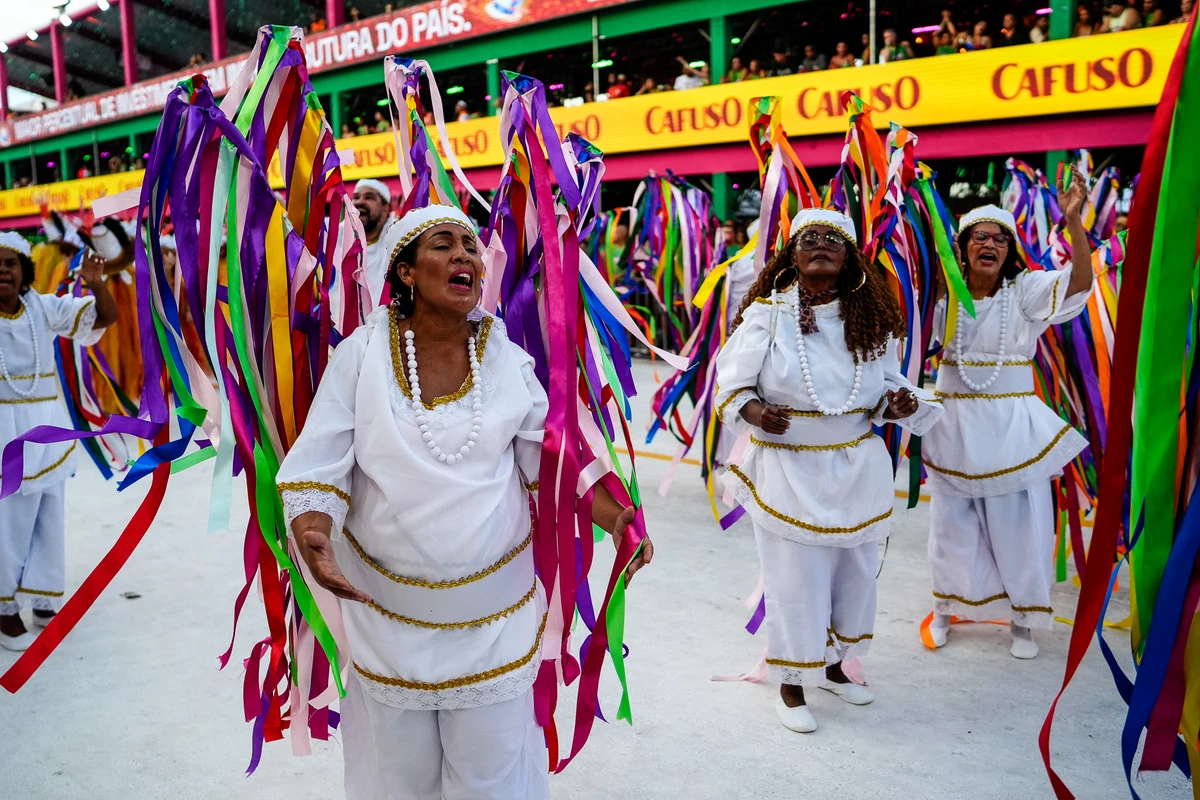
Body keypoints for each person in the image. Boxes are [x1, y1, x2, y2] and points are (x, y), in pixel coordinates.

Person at [276, 204, 651, 798]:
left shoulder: (503, 355)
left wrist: (618, 520)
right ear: (404, 271)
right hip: (387, 617)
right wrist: (313, 534)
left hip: (493, 619)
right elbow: (320, 462)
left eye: (472, 247)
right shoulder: (361, 355)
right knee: (399, 775)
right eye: (443, 244)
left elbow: (549, 457)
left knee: (490, 773)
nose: (464, 255)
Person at [714, 209, 942, 733]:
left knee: (855, 575)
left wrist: (898, 404)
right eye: (809, 238)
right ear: (791, 256)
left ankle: (837, 667)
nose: (820, 244)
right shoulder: (768, 315)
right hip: (787, 469)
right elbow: (731, 385)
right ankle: (792, 683)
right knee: (796, 578)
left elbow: (883, 388)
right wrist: (757, 413)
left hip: (856, 467)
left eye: (833, 238)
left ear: (850, 255)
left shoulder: (870, 318)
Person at [921, 169, 1095, 659]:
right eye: (980, 237)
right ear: (962, 247)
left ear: (1010, 250)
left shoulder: (1024, 292)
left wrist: (1074, 221)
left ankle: (1023, 620)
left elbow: (1079, 282)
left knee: (1018, 526)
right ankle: (944, 609)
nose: (991, 245)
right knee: (951, 527)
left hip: (1012, 428)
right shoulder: (942, 295)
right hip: (952, 428)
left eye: (1001, 238)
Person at [0, 232, 118, 651]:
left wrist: (96, 283)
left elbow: (104, 317)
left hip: (47, 432)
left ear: (25, 271)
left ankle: (43, 599)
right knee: (9, 523)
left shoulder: (42, 307)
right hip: (6, 439)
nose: (3, 271)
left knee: (49, 517)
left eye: (11, 263)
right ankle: (5, 607)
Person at [352, 179, 398, 306]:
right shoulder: (337, 234)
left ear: (386, 207)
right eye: (356, 197)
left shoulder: (399, 235)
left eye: (369, 197)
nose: (359, 202)